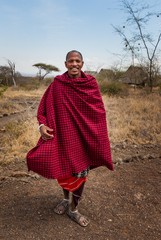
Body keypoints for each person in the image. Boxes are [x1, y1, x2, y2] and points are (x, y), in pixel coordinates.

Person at [27, 50, 114, 227]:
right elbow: (42, 110)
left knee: (80, 175)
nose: (74, 64)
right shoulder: (57, 85)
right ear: (65, 64)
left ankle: (73, 210)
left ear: (82, 64)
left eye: (77, 61)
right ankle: (66, 200)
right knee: (64, 171)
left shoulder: (91, 84)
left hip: (82, 140)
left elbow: (98, 112)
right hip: (62, 140)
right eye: (71, 61)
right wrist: (41, 126)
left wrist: (96, 134)